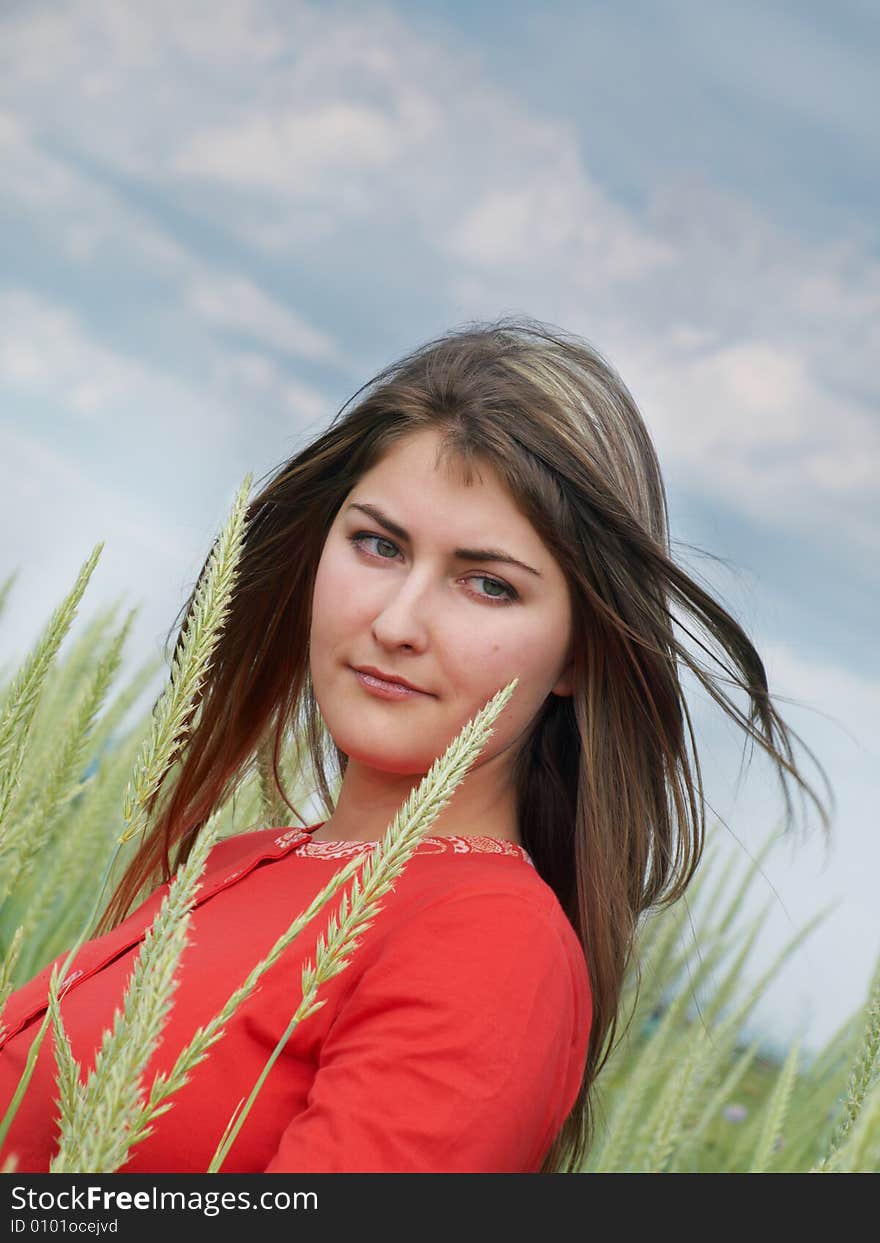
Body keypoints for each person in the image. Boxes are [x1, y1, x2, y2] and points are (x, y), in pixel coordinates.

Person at [0, 316, 831, 1174]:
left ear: (577, 656)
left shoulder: (492, 944)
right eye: (378, 543)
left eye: (487, 584)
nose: (396, 623)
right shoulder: (236, 860)